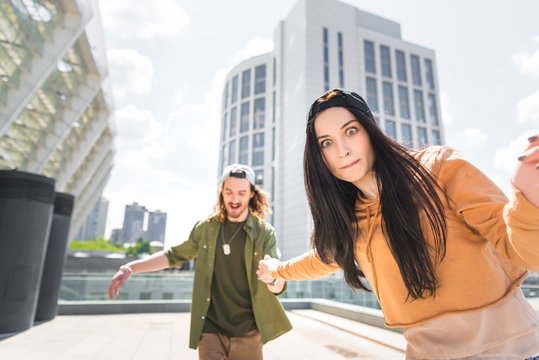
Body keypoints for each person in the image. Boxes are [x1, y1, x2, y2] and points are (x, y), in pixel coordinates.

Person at [256, 88, 539, 359]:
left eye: (350, 131)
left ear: (371, 130)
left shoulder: (439, 168)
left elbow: (517, 246)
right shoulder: (350, 223)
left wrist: (529, 204)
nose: (341, 150)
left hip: (515, 351)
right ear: (320, 157)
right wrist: (278, 271)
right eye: (326, 143)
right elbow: (321, 259)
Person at [109, 163, 291, 360]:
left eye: (242, 192)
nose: (235, 199)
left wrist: (273, 278)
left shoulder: (264, 233)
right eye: (228, 191)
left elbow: (276, 276)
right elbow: (174, 255)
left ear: (252, 194)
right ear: (221, 191)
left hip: (249, 331)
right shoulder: (206, 228)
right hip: (211, 329)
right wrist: (130, 267)